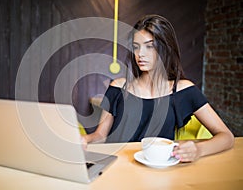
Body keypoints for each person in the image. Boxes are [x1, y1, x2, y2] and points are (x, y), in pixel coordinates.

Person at [82, 14, 234, 162]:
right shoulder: (118, 87)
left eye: (150, 46)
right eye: (136, 47)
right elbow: (100, 136)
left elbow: (226, 136)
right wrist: (84, 139)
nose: (140, 54)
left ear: (165, 48)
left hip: (158, 173)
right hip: (116, 167)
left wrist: (199, 150)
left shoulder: (183, 90)